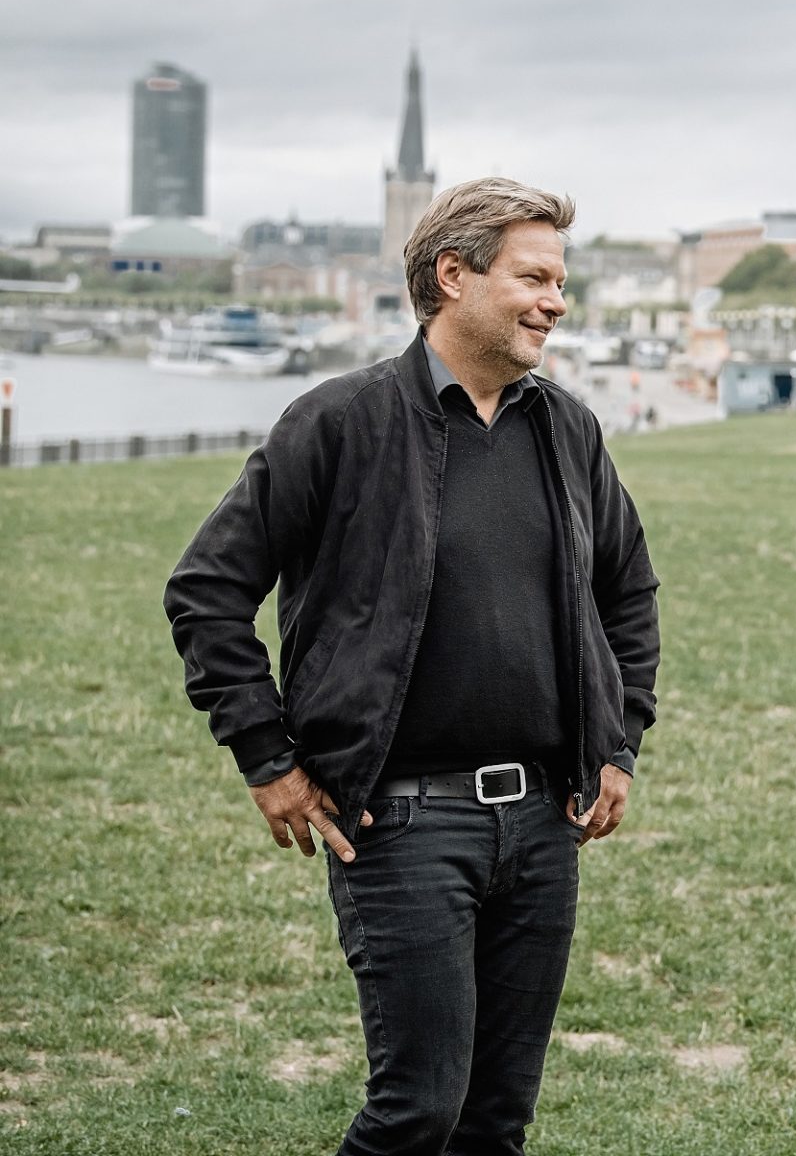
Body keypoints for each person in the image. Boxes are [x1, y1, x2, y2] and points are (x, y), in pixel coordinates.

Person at [164, 177, 661, 1155]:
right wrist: (266, 757)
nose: (556, 301)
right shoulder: (339, 422)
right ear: (452, 275)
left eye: (561, 282)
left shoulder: (566, 430)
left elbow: (628, 590)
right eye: (534, 277)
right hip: (397, 824)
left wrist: (618, 741)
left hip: (542, 827)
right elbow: (207, 588)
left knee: (494, 1121)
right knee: (417, 1109)